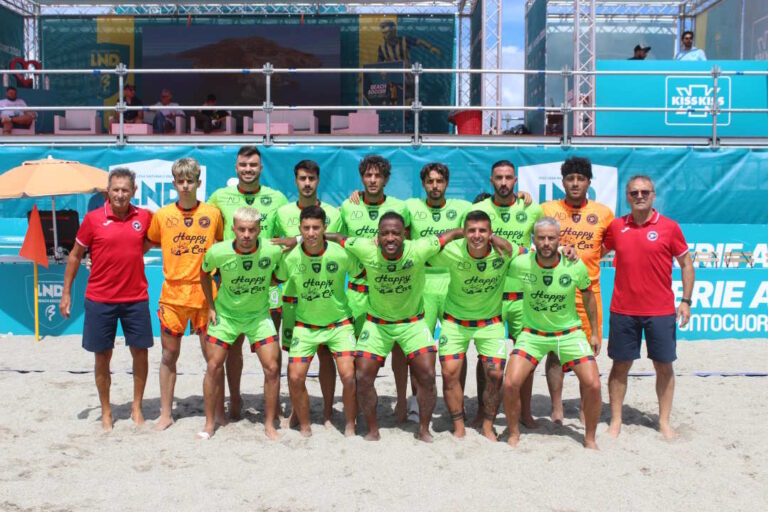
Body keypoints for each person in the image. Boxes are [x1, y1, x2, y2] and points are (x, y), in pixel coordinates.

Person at [328, 212, 460, 442]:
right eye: (385, 233)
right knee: (363, 376)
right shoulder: (365, 249)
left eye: (396, 233)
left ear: (405, 235)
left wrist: (488, 238)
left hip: (413, 324)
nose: (391, 238)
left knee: (428, 376)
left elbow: (449, 235)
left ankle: (423, 429)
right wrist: (298, 240)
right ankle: (372, 430)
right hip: (377, 325)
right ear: (377, 236)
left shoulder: (418, 249)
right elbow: (337, 237)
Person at [59, 168, 153, 432]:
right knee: (103, 356)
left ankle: (136, 407)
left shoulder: (144, 217)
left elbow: (158, 237)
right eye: (115, 189)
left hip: (136, 298)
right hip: (100, 299)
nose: (120, 194)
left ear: (133, 192)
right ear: (107, 191)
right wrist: (66, 292)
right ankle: (106, 410)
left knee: (140, 353)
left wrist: (137, 249)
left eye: (125, 190)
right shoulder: (92, 219)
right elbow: (76, 255)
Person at [603, 175, 694, 440]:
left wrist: (686, 301)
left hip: (661, 311)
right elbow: (594, 254)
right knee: (620, 366)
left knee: (664, 366)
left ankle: (663, 422)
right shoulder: (616, 226)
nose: (639, 196)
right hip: (622, 310)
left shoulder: (669, 227)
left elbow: (686, 265)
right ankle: (616, 420)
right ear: (627, 197)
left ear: (653, 195)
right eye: (634, 192)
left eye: (644, 192)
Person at [502, 217, 602, 449]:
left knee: (594, 385)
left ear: (559, 240)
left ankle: (589, 438)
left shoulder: (573, 264)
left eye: (551, 238)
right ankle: (514, 433)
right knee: (510, 384)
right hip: (532, 334)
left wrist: (594, 333)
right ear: (534, 240)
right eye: (541, 238)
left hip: (569, 333)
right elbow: (496, 255)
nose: (546, 242)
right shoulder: (521, 263)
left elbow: (588, 296)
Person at [145, 157, 225, 431]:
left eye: (190, 180)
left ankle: (217, 413)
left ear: (199, 183)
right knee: (169, 355)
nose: (186, 185)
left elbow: (224, 249)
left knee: (213, 359)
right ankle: (166, 413)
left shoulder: (213, 214)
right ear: (174, 184)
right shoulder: (163, 215)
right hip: (173, 295)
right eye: (180, 181)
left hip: (206, 295)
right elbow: (144, 243)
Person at [208, 146, 288, 420]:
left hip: (269, 283)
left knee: (270, 342)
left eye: (253, 165)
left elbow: (288, 235)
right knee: (234, 346)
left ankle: (273, 404)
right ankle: (235, 397)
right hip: (234, 281)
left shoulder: (276, 198)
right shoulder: (220, 196)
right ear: (236, 167)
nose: (248, 169)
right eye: (243, 164)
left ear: (261, 168)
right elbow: (210, 231)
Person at [428, 210, 521, 440]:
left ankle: (488, 425)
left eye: (482, 231)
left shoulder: (504, 251)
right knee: (449, 374)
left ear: (491, 233)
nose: (476, 235)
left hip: (490, 324)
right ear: (464, 232)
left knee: (496, 374)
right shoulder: (452, 251)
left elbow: (535, 253)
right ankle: (459, 426)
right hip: (454, 323)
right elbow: (428, 247)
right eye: (471, 230)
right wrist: (455, 233)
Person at [275, 206, 362, 437]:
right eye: (306, 228)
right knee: (294, 377)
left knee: (348, 376)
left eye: (316, 227)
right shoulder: (290, 257)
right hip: (305, 327)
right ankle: (304, 425)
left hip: (339, 325)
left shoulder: (341, 253)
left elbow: (364, 274)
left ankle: (350, 424)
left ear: (325, 228)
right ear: (299, 229)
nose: (311, 233)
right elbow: (275, 278)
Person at [199, 206, 283, 440]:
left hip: (258, 316)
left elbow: (284, 266)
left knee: (273, 368)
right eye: (242, 230)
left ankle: (269, 424)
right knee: (213, 366)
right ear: (233, 229)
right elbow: (203, 273)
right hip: (225, 316)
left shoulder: (272, 251)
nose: (246, 235)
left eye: (252, 230)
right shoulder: (218, 252)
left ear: (259, 230)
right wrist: (210, 305)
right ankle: (209, 424)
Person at [338, 155, 411, 422]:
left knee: (400, 352)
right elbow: (337, 240)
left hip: (392, 292)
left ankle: (402, 403)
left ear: (386, 179)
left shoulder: (400, 207)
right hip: (359, 292)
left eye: (377, 176)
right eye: (367, 176)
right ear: (361, 179)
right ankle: (359, 407)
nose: (372, 180)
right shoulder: (348, 206)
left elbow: (410, 245)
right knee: (361, 357)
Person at [542, 156, 614, 423]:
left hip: (588, 293)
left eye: (580, 179)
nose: (575, 183)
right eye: (570, 178)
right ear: (562, 182)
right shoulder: (547, 208)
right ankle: (557, 408)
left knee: (588, 353)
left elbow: (608, 244)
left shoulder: (604, 212)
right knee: (555, 352)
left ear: (588, 182)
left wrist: (590, 255)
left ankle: (585, 408)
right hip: (555, 293)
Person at [473, 160, 542, 428]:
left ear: (516, 181)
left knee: (526, 357)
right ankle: (482, 410)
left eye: (508, 177)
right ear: (491, 180)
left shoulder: (531, 208)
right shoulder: (479, 209)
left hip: (524, 297)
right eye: (498, 177)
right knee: (485, 359)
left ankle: (524, 412)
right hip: (491, 296)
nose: (503, 182)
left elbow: (545, 244)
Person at [274, 160, 342, 426]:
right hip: (292, 295)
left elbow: (339, 240)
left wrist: (299, 240)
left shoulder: (334, 213)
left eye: (311, 178)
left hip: (325, 295)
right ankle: (296, 410)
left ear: (318, 180)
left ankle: (326, 410)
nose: (307, 183)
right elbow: (272, 246)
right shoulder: (282, 213)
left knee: (326, 355)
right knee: (293, 356)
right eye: (302, 178)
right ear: (295, 180)